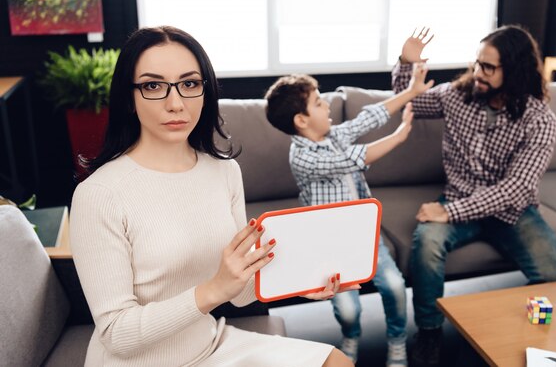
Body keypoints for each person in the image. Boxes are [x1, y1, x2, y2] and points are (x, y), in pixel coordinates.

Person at [70, 25, 358, 367]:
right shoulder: (98, 194)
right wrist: (213, 291)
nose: (176, 103)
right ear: (129, 99)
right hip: (135, 361)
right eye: (153, 86)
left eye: (189, 84)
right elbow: (117, 334)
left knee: (336, 361)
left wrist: (297, 282)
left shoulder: (223, 171)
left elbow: (239, 292)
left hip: (209, 345)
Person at [392, 26, 556, 367]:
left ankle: (544, 345)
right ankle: (430, 332)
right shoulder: (458, 96)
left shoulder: (539, 120)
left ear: (516, 71)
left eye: (488, 67)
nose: (477, 73)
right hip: (458, 197)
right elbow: (411, 102)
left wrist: (451, 212)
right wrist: (406, 63)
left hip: (512, 212)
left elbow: (516, 189)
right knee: (427, 242)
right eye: (477, 63)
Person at [264, 68, 434, 367]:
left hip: (365, 237)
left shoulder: (333, 136)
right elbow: (355, 157)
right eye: (318, 102)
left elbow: (368, 118)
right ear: (301, 121)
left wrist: (410, 92)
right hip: (329, 248)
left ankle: (397, 341)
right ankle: (351, 336)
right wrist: (399, 135)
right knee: (348, 309)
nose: (327, 105)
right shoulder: (303, 157)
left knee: (395, 286)